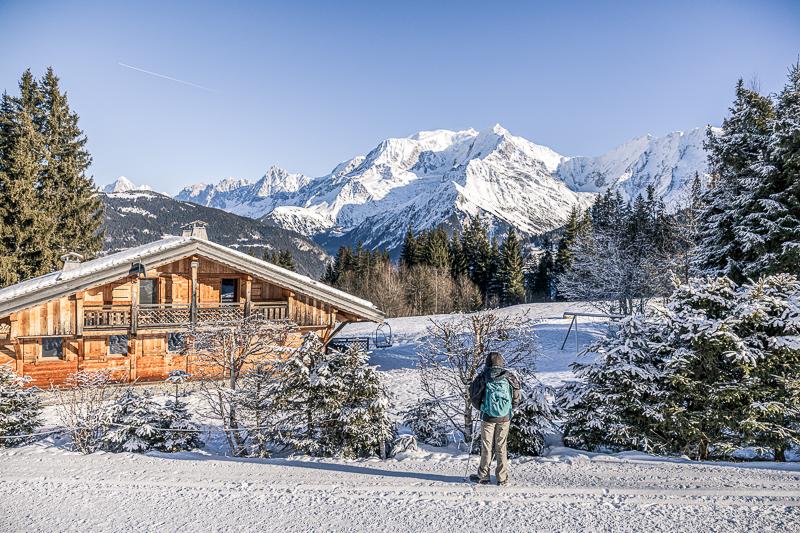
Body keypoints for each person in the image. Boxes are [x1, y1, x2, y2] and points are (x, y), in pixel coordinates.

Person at [468, 351, 520, 486]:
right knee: (501, 447)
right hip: (504, 417)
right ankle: (502, 478)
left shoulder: (483, 377)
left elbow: (474, 396)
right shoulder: (509, 376)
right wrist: (510, 408)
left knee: (486, 446)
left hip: (488, 417)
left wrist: (482, 408)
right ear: (501, 362)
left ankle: (483, 476)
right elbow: (516, 397)